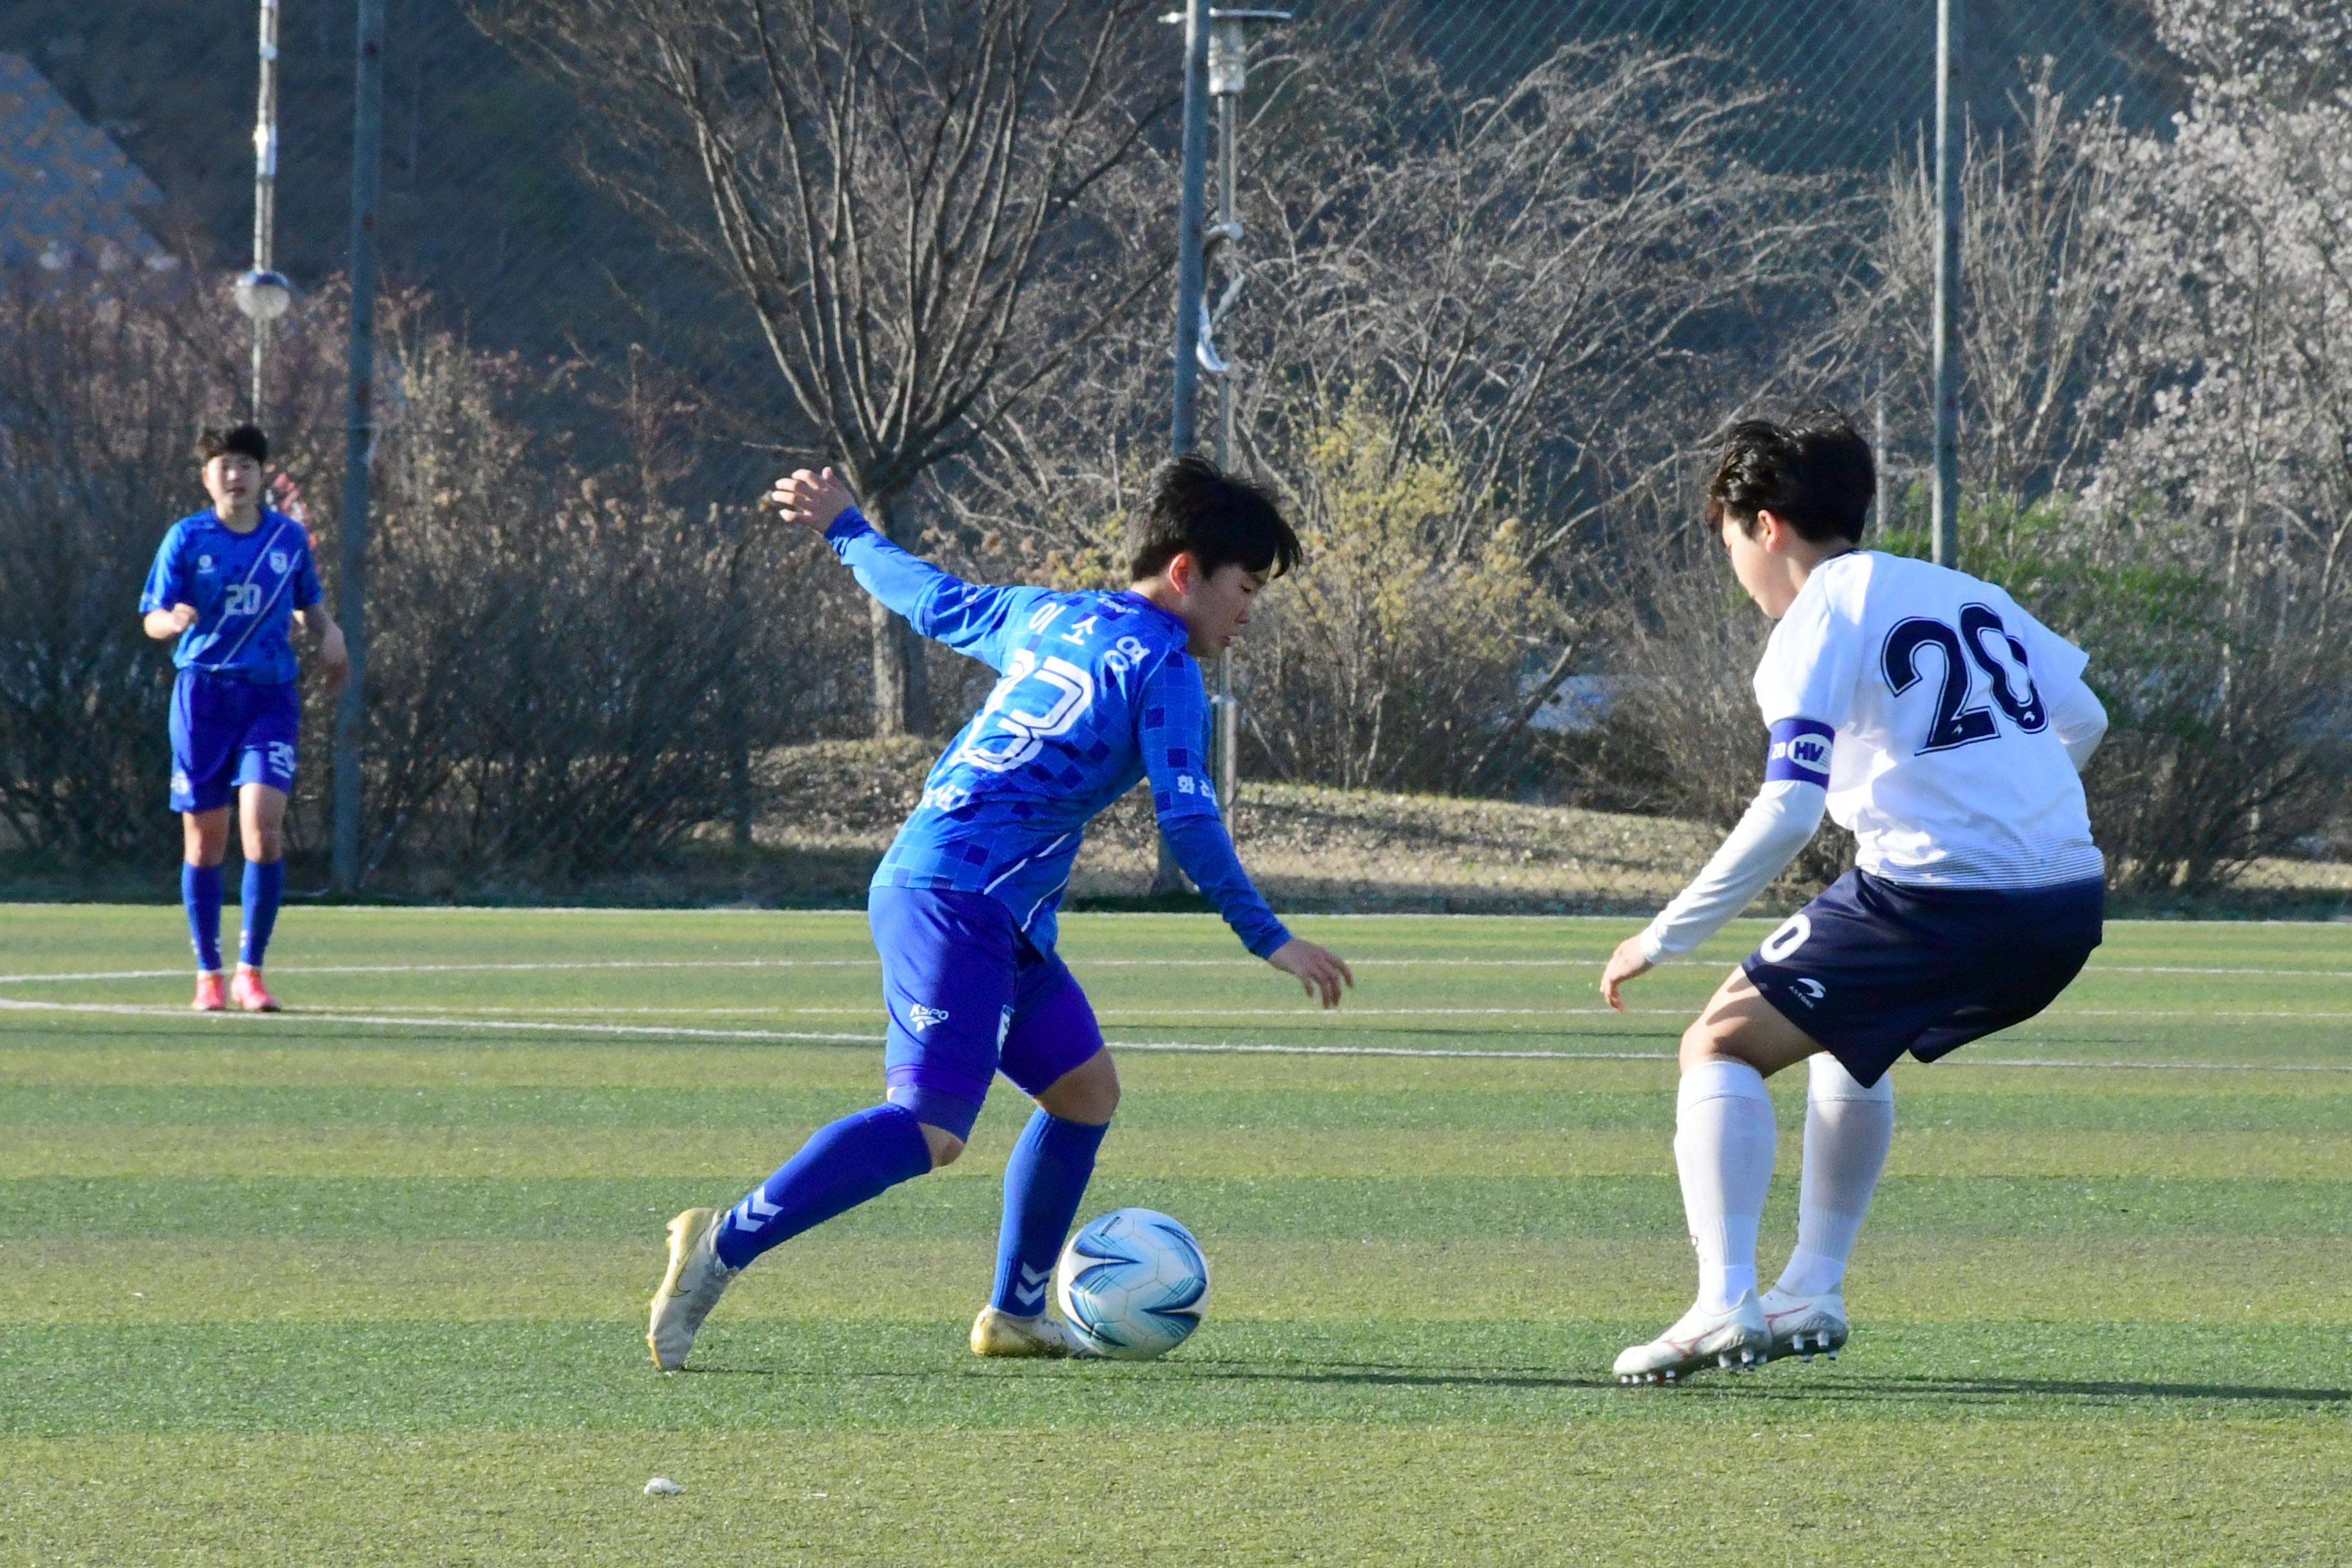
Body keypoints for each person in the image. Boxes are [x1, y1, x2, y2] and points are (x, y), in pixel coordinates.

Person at [647, 455, 1353, 1371]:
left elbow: (931, 599)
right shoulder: (1167, 670)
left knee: (1085, 1093)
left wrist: (847, 529)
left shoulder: (1049, 615)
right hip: (954, 900)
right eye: (1246, 587)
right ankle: (720, 1246)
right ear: (1186, 573)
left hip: (985, 908)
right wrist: (1271, 936)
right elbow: (1186, 815)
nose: (1250, 612)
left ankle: (1016, 1314)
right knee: (932, 1131)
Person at [1599, 411, 2108, 1384]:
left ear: (1765, 526)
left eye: (1728, 543)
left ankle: (1721, 1305)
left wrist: (1662, 938)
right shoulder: (1962, 590)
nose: (1737, 571)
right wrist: (2009, 805)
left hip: (1943, 896)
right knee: (1850, 1032)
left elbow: (1790, 812)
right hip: (2068, 903)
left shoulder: (1819, 614)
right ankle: (1811, 1287)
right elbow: (2085, 715)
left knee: (1718, 1043)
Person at [140, 424, 349, 1014]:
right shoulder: (186, 538)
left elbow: (310, 607)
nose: (236, 476)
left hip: (268, 697)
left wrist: (331, 635)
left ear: (262, 477)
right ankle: (209, 973)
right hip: (203, 697)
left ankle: (250, 973)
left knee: (263, 824)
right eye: (225, 465)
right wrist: (172, 620)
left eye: (247, 466)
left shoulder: (287, 538)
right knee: (206, 840)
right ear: (208, 477)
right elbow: (151, 616)